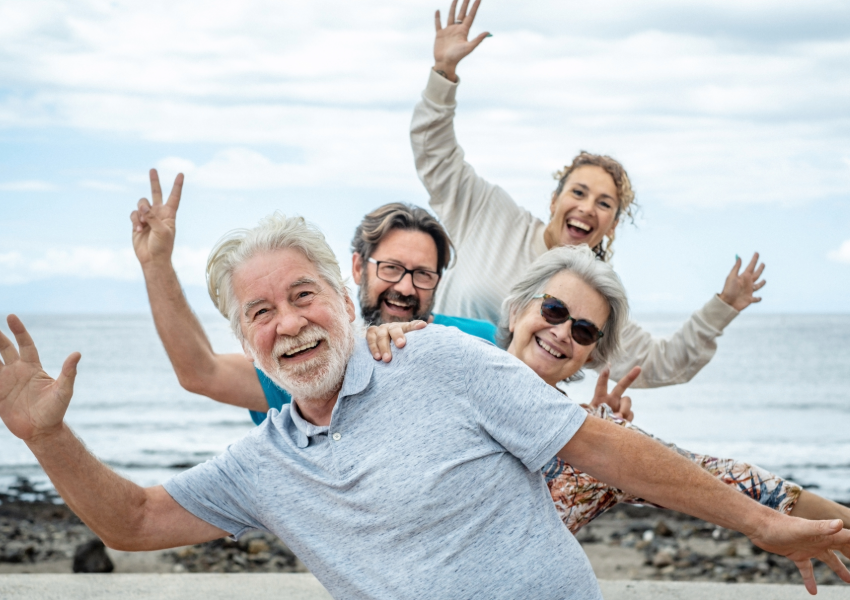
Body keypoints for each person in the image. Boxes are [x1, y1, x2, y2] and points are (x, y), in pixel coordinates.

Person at [3, 212, 850, 598]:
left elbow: (606, 449)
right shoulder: (265, 459)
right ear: (244, 334)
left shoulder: (443, 354)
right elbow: (136, 522)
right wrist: (48, 438)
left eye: (303, 295)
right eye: (260, 313)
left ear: (342, 292)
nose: (289, 324)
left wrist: (763, 522)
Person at [371, 245, 850, 537]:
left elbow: (728, 479)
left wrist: (826, 527)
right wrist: (381, 338)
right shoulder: (445, 360)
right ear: (517, 310)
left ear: (592, 354)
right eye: (554, 310)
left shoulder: (590, 445)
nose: (562, 333)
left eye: (584, 330)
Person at [410, 0, 767, 388]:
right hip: (430, 381)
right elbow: (436, 155)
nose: (586, 208)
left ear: (612, 225)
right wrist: (444, 72)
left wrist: (724, 306)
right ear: (554, 199)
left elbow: (661, 364)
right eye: (578, 191)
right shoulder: (490, 213)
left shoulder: (592, 300)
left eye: (604, 203)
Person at [131, 170, 496, 425]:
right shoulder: (309, 359)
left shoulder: (479, 341)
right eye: (391, 268)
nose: (404, 286)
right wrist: (156, 265)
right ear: (357, 267)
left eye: (422, 274)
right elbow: (201, 372)